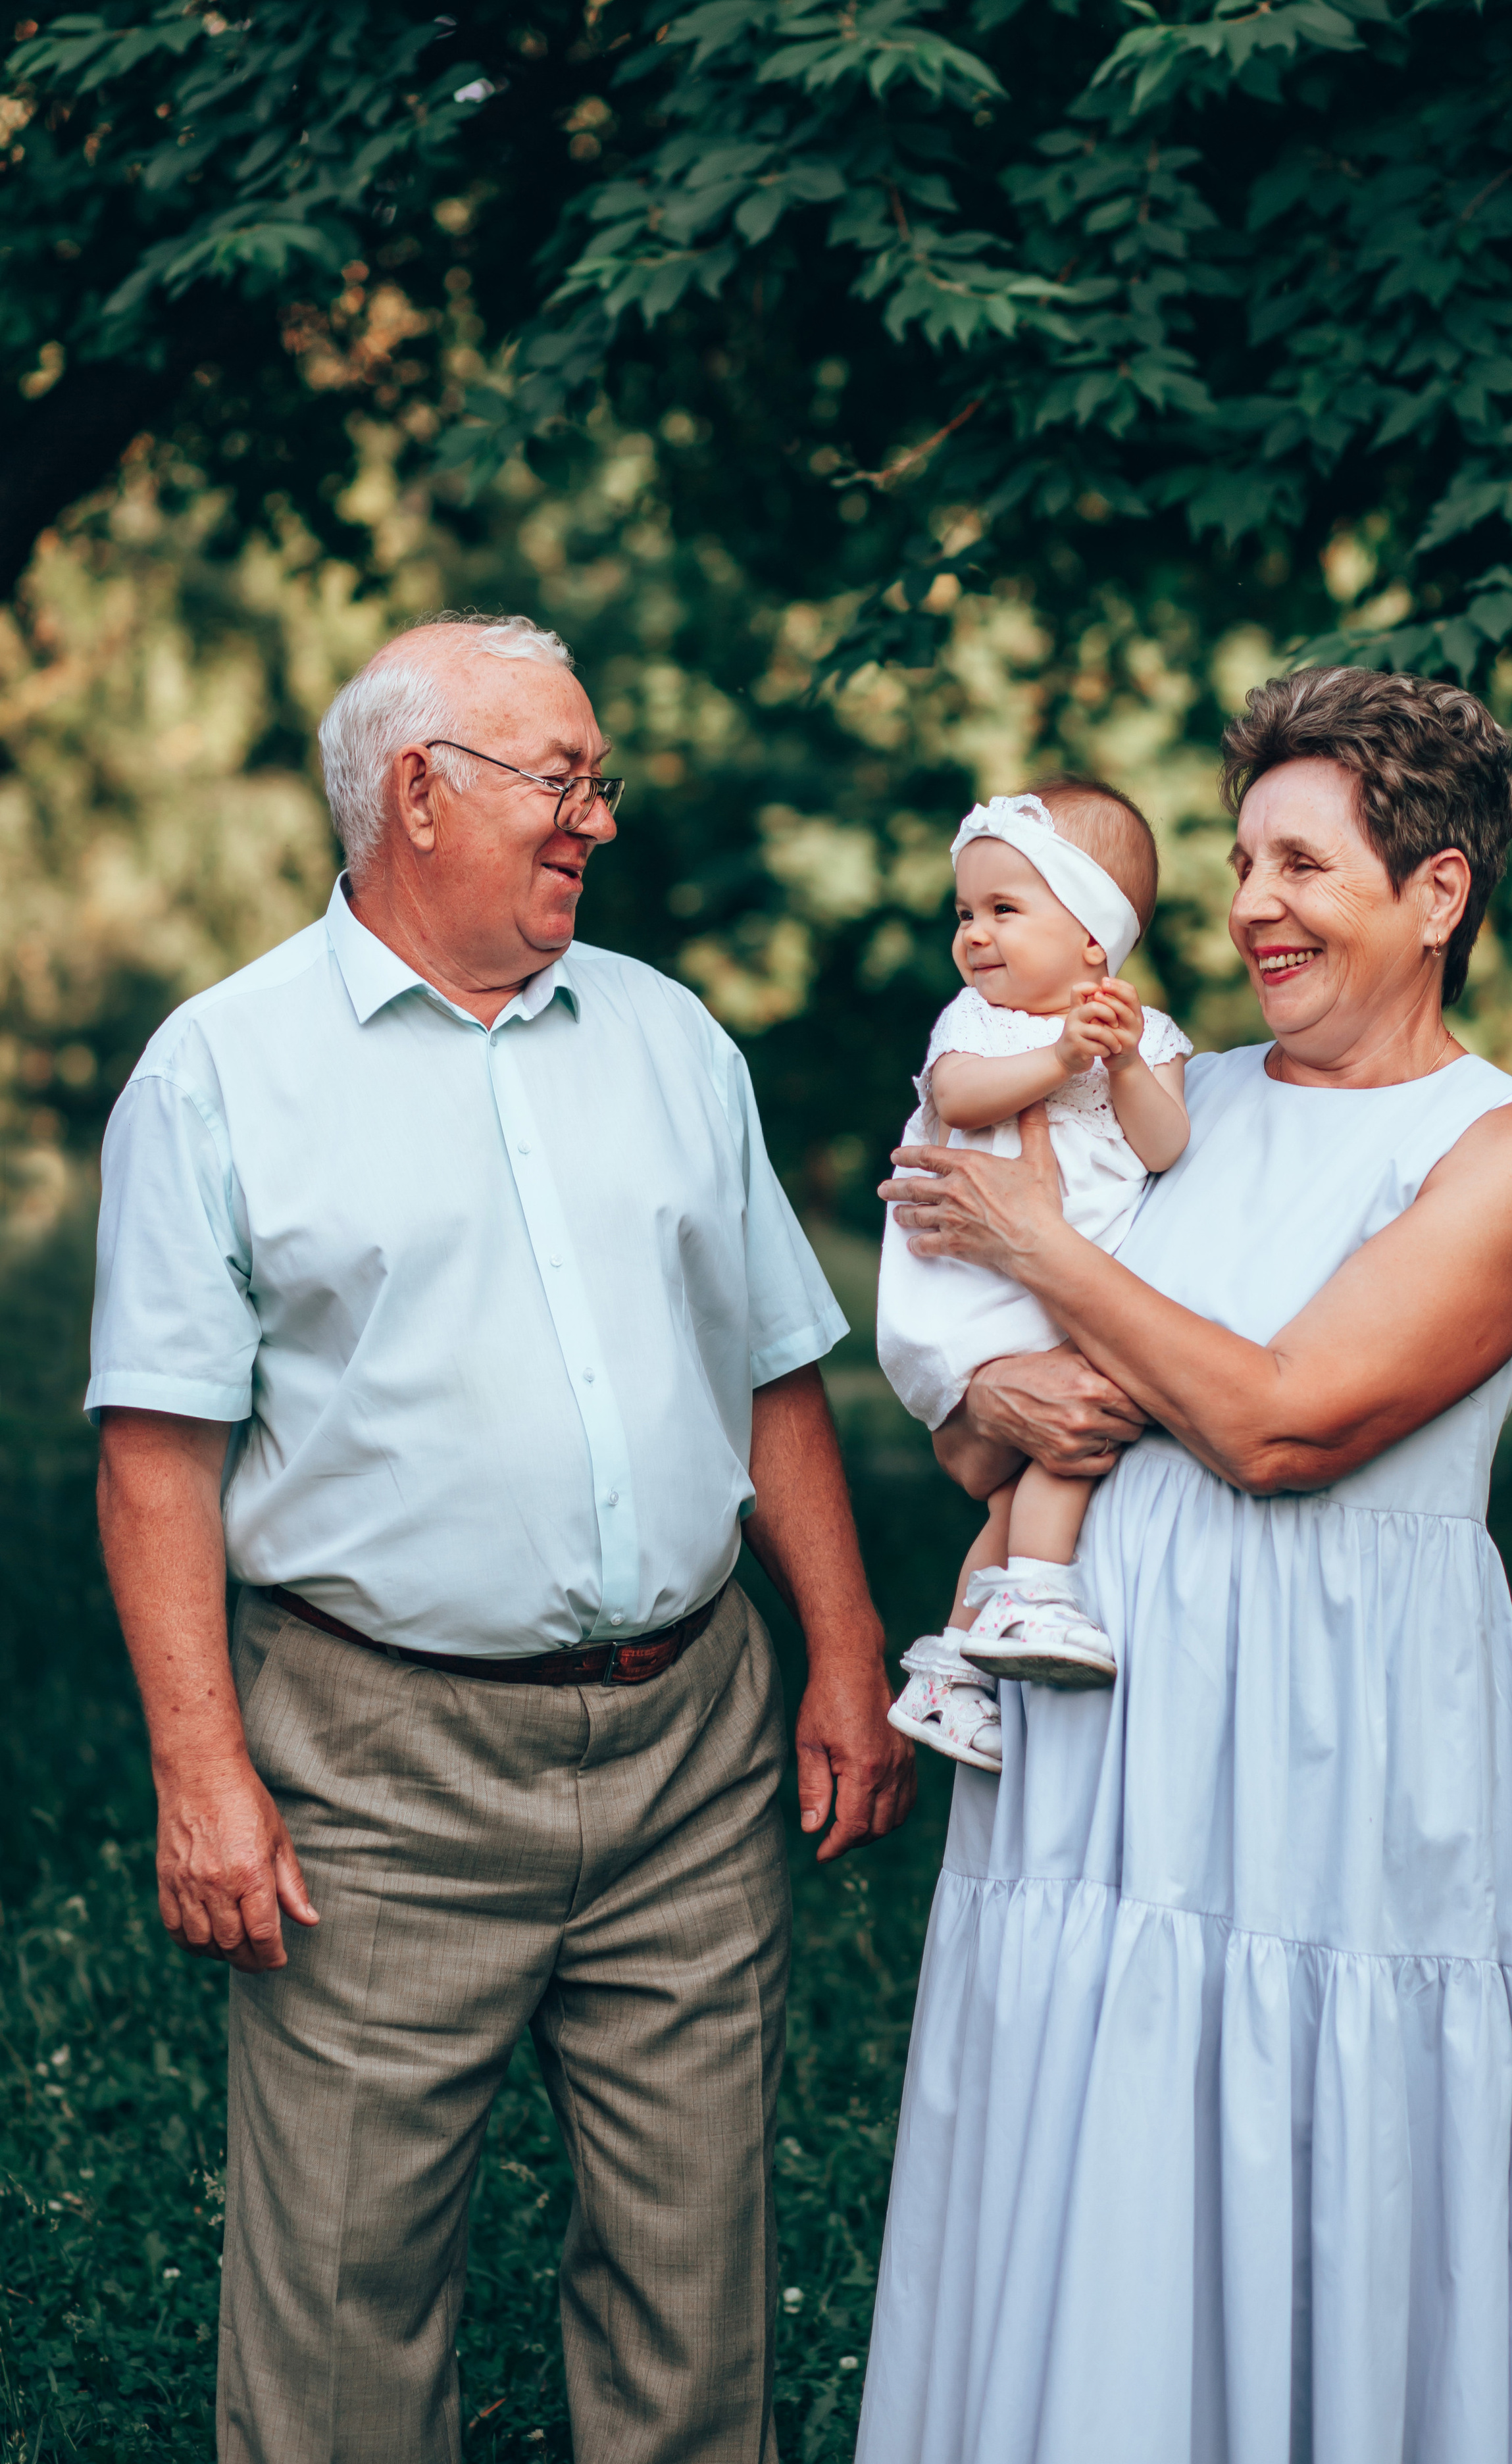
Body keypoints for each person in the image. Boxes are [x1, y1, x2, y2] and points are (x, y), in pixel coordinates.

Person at [88, 611, 916, 2464]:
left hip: (693, 1744)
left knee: (696, 2285)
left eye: (597, 780)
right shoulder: (221, 1072)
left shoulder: (670, 1037)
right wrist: (204, 1776)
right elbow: (156, 1460)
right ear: (415, 793)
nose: (595, 820)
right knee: (343, 2308)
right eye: (562, 778)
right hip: (380, 1764)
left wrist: (847, 1655)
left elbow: (776, 1369)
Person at [859, 667, 1512, 2463]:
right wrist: (997, 1373)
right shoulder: (1167, 1092)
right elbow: (982, 1436)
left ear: (1437, 892)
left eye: (1303, 864)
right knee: (1085, 2107)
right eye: (1241, 861)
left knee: (1308, 2124)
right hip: (1097, 1730)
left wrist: (1046, 1254)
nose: (1252, 906)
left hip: (1332, 1745)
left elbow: (1285, 1426)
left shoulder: (1501, 1150)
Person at [876, 781, 1190, 1771]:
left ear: (1094, 937)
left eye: (1004, 910)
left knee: (1024, 1481)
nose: (974, 935)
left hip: (1063, 1296)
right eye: (965, 913)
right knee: (1072, 1424)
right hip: (977, 1292)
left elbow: (1165, 1144)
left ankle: (950, 1671)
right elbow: (960, 1097)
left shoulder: (1153, 1037)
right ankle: (1040, 1593)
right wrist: (1061, 1056)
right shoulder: (982, 1024)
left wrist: (1127, 1065)